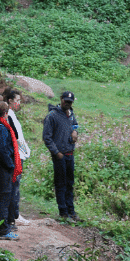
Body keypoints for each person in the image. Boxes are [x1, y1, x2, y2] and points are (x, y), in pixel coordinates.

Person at [0, 101, 23, 240]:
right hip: (1, 169)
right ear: (6, 113)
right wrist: (11, 165)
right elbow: (2, 150)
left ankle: (1, 226)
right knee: (3, 199)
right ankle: (4, 231)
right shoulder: (1, 128)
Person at [42, 91, 80, 222]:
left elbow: (75, 124)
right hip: (60, 155)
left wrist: (75, 131)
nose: (67, 104)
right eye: (66, 101)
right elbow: (46, 137)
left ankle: (71, 211)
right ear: (61, 100)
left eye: (70, 102)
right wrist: (56, 152)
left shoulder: (71, 114)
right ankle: (63, 212)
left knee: (70, 183)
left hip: (70, 153)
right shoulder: (52, 116)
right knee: (61, 184)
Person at [3, 88, 31, 229]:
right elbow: (17, 137)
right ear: (10, 101)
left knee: (15, 187)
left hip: (19, 154)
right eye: (17, 101)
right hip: (16, 155)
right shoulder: (8, 114)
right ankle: (13, 216)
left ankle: (14, 214)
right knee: (14, 187)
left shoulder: (11, 114)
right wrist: (24, 150)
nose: (19, 103)